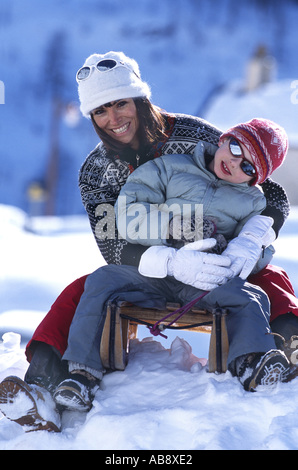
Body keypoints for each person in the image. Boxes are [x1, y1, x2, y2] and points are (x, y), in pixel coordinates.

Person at [0, 52, 297, 430]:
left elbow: (269, 191)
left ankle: (287, 351)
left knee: (271, 278)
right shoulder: (96, 172)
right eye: (100, 112)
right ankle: (45, 382)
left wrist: (254, 238)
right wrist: (172, 257)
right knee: (86, 288)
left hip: (219, 261)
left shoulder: (196, 136)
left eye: (121, 103)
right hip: (149, 265)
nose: (113, 119)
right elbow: (113, 248)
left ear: (139, 99)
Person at [52, 116, 293, 413]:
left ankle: (251, 361)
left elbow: (261, 251)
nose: (234, 162)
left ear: (255, 179)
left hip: (205, 282)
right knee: (102, 280)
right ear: (222, 139)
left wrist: (242, 253)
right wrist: (171, 226)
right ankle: (81, 374)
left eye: (247, 167)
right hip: (156, 271)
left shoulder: (252, 202)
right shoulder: (169, 167)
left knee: (252, 297)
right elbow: (128, 215)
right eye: (234, 147)